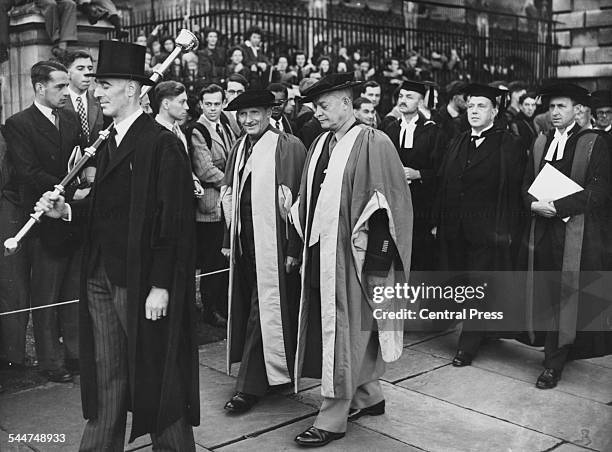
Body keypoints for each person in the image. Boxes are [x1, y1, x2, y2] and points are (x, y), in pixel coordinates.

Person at [34, 41, 199, 449]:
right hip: (100, 277)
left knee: (157, 376)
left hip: (141, 281)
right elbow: (106, 212)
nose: (97, 92)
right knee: (108, 378)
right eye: (96, 85)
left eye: (105, 84)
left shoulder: (162, 144)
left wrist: (160, 285)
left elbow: (173, 222)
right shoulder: (110, 142)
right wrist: (66, 212)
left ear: (133, 89)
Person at [292, 73, 413, 447]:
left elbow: (387, 206)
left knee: (345, 334)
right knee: (353, 331)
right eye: (314, 106)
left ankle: (332, 417)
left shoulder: (373, 142)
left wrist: (376, 266)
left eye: (324, 105)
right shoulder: (320, 144)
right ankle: (368, 396)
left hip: (356, 259)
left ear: (347, 103)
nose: (318, 113)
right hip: (323, 253)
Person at [220, 90, 306, 413]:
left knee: (263, 309)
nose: (247, 120)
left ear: (271, 112)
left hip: (276, 246)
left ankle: (249, 386)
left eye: (254, 112)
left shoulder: (289, 146)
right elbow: (229, 196)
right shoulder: (241, 147)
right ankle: (272, 375)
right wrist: (229, 241)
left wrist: (294, 248)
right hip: (247, 245)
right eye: (242, 115)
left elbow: (299, 203)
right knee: (254, 309)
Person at [521, 83, 612, 389]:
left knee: (566, 295)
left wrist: (557, 207)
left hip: (574, 233)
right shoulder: (540, 142)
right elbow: (525, 183)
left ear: (577, 110)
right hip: (542, 229)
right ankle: (556, 347)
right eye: (551, 107)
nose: (555, 113)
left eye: (562, 106)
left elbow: (599, 192)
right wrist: (533, 203)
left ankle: (553, 362)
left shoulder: (593, 142)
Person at [433, 83, 526, 366]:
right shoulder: (459, 140)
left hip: (487, 230)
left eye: (481, 106)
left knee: (478, 286)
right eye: (471, 106)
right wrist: (438, 220)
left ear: (495, 111)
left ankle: (468, 345)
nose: (474, 111)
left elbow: (512, 191)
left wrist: (506, 229)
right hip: (456, 228)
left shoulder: (507, 143)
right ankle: (482, 330)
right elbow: (444, 181)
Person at [4, 60, 83, 383]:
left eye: (67, 85)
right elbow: (26, 171)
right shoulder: (18, 123)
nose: (66, 92)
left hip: (67, 215)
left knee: (72, 289)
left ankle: (75, 353)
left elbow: (78, 161)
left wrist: (74, 194)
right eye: (59, 86)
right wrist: (66, 191)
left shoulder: (70, 118)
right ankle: (51, 361)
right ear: (39, 87)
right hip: (39, 217)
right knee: (46, 293)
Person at [382, 81, 447, 271]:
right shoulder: (390, 128)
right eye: (401, 96)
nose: (403, 101)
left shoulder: (433, 131)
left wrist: (418, 174)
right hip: (394, 201)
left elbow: (441, 170)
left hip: (421, 203)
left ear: (420, 101)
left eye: (409, 97)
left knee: (419, 254)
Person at [187, 84, 236, 327]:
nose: (213, 108)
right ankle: (209, 309)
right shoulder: (199, 129)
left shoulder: (225, 126)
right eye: (208, 104)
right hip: (210, 204)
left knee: (221, 259)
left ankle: (219, 306)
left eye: (217, 104)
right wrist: (232, 183)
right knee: (210, 259)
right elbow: (205, 169)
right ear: (201, 105)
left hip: (224, 201)